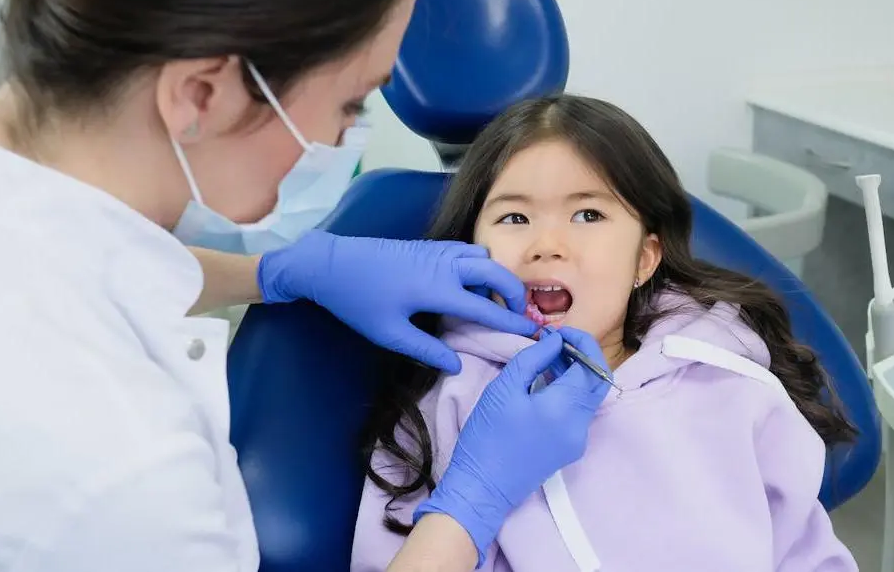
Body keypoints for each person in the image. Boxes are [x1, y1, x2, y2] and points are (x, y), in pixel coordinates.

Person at [0, 0, 610, 570]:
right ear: (200, 94)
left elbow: (55, 258)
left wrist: (278, 271)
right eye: (354, 102)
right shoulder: (122, 470)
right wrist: (468, 505)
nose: (349, 134)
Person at [352, 95, 862, 571]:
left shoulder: (726, 379)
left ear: (644, 259)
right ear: (470, 252)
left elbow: (807, 553)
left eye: (588, 214)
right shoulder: (445, 404)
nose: (546, 244)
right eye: (514, 216)